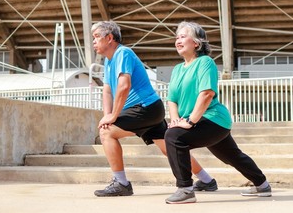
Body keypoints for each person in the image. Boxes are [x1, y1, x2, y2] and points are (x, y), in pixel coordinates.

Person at [91, 20, 217, 197]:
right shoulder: (109, 61)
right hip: (149, 109)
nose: (93, 42)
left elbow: (124, 86)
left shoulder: (123, 53)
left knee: (106, 133)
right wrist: (107, 116)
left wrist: (113, 116)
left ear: (110, 38)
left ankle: (121, 183)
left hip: (144, 108)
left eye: (96, 37)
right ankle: (206, 180)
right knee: (168, 147)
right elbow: (107, 91)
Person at [164, 21, 271, 204]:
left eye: (183, 37)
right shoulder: (177, 70)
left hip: (213, 119)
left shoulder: (205, 63)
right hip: (197, 120)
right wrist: (175, 120)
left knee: (174, 137)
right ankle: (262, 185)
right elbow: (172, 99)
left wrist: (189, 122)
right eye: (177, 38)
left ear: (196, 43)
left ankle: (186, 189)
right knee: (232, 156)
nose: (178, 41)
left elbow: (206, 94)